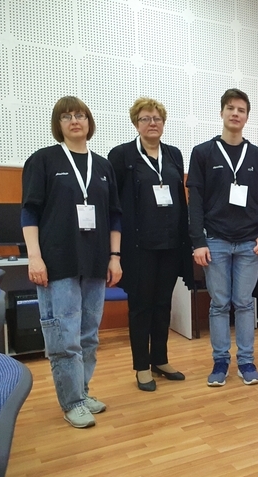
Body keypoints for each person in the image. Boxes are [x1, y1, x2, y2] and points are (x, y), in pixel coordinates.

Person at [21, 96, 122, 428]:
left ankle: (82, 390)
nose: (74, 120)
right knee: (64, 337)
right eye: (66, 117)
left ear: (89, 122)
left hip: (95, 263)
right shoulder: (43, 160)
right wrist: (34, 257)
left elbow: (115, 216)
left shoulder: (103, 166)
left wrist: (115, 257)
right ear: (58, 125)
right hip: (57, 262)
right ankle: (72, 401)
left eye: (80, 115)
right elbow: (30, 212)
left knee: (88, 336)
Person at [187, 88, 258, 387]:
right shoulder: (203, 153)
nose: (235, 114)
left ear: (247, 117)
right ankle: (220, 361)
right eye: (230, 108)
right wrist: (198, 241)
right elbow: (195, 202)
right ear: (222, 112)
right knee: (219, 303)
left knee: (245, 303)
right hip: (215, 241)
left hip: (250, 243)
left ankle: (247, 361)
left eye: (241, 110)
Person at [108, 97, 194, 392]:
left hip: (170, 245)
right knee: (141, 307)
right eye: (145, 118)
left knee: (162, 304)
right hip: (139, 247)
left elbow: (180, 199)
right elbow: (114, 204)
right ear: (136, 123)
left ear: (163, 123)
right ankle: (142, 366)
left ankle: (160, 359)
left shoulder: (173, 154)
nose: (152, 123)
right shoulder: (121, 155)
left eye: (157, 118)